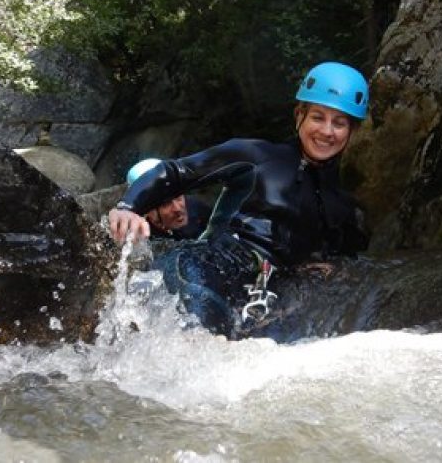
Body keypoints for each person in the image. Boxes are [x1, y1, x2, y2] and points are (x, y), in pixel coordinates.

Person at [108, 61, 370, 337]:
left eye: (339, 123)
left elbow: (344, 265)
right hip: (211, 264)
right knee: (204, 344)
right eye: (318, 117)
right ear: (299, 116)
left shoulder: (341, 207)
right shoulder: (256, 156)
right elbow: (177, 171)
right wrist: (128, 206)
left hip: (267, 294)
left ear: (351, 132)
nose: (327, 131)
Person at [125, 158, 210, 240]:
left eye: (178, 196)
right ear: (147, 212)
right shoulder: (139, 240)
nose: (177, 208)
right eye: (166, 204)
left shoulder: (197, 209)